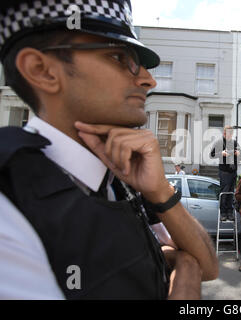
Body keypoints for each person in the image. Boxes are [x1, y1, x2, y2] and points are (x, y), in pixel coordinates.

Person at [0, 0, 218, 300]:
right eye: (118, 56)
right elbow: (189, 263)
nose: (148, 80)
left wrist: (161, 193)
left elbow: (207, 266)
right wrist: (186, 275)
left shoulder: (121, 174)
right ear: (42, 70)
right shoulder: (10, 200)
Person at [210, 125, 241, 221]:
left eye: (230, 134)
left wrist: (238, 153)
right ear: (224, 133)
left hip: (233, 171)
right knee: (224, 193)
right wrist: (221, 153)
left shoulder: (234, 142)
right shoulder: (219, 142)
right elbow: (211, 154)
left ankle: (230, 212)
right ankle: (223, 213)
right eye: (227, 133)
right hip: (224, 172)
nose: (229, 135)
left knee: (231, 193)